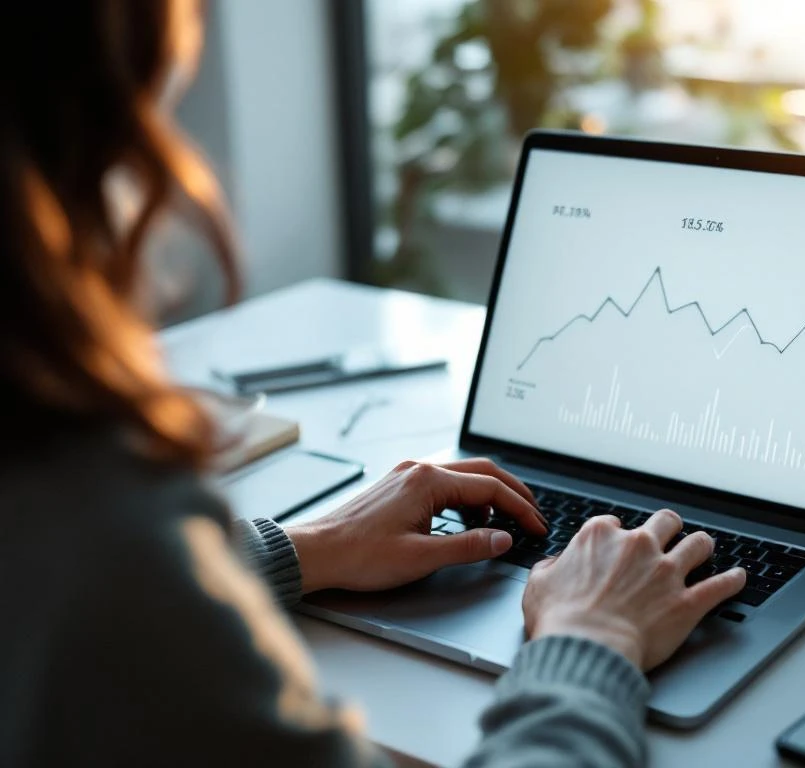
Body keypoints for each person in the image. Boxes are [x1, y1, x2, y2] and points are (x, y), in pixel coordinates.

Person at [0, 2, 746, 766]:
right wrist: (594, 636)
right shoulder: (93, 518)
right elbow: (112, 590)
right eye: (158, 109)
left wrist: (306, 548)